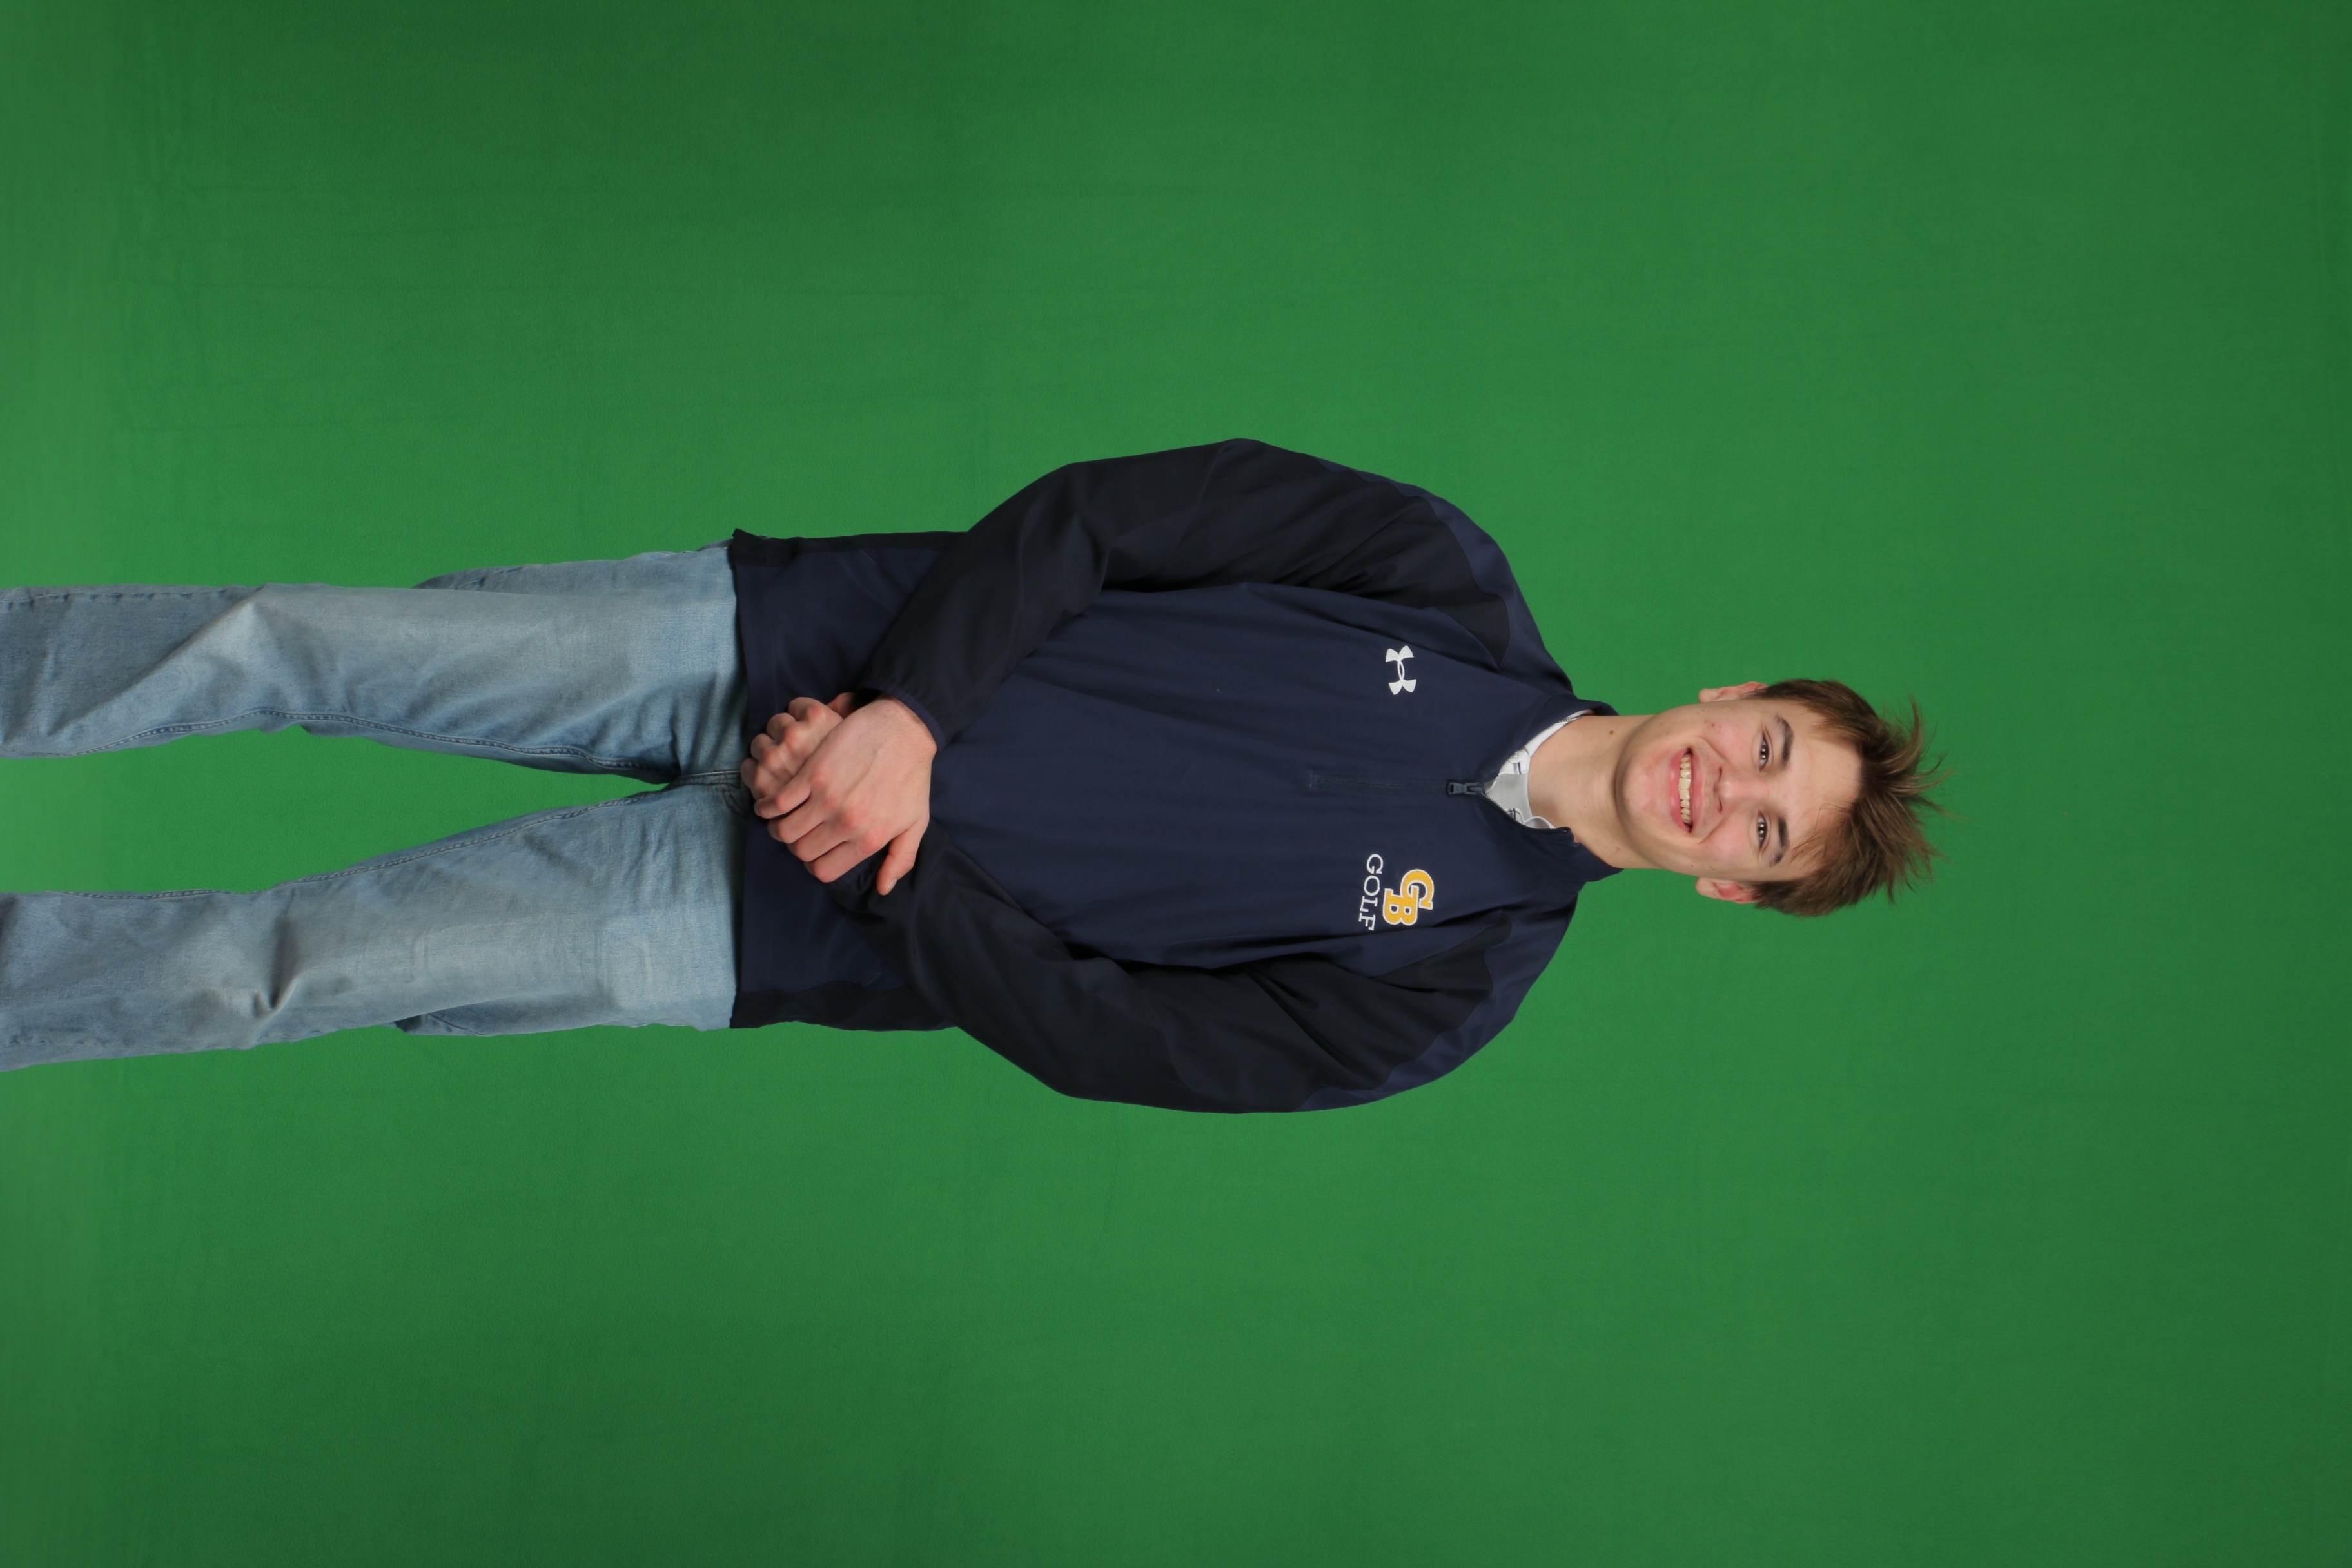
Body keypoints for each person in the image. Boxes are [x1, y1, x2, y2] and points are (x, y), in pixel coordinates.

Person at [0, 440, 1940, 1109]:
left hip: (769, 925)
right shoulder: (1433, 571)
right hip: (771, 645)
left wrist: (892, 851)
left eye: (1768, 834)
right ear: (1735, 691)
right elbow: (1103, 521)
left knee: (276, 975)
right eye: (1768, 749)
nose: (1732, 789)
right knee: (280, 636)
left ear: (1731, 887)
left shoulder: (1442, 995)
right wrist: (903, 724)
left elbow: (1109, 1037)